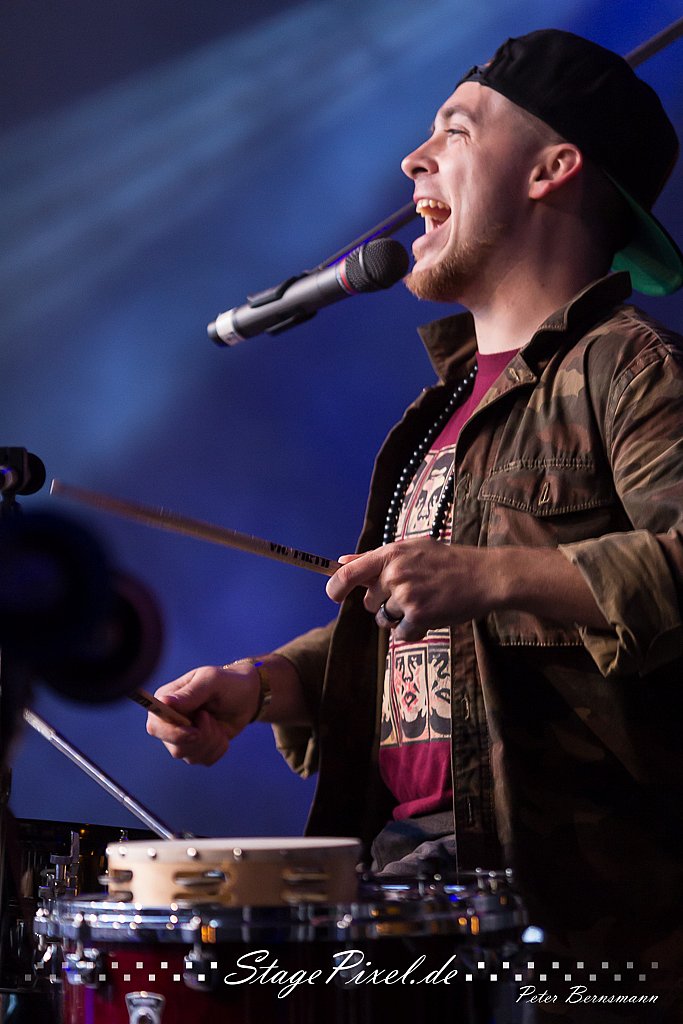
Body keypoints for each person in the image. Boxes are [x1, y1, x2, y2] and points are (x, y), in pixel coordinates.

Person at [147, 29, 683, 1019]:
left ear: (551, 169)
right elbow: (425, 637)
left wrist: (488, 574)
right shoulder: (435, 412)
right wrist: (263, 686)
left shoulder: (632, 370)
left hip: (574, 917)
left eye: (454, 131)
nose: (412, 160)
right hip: (416, 882)